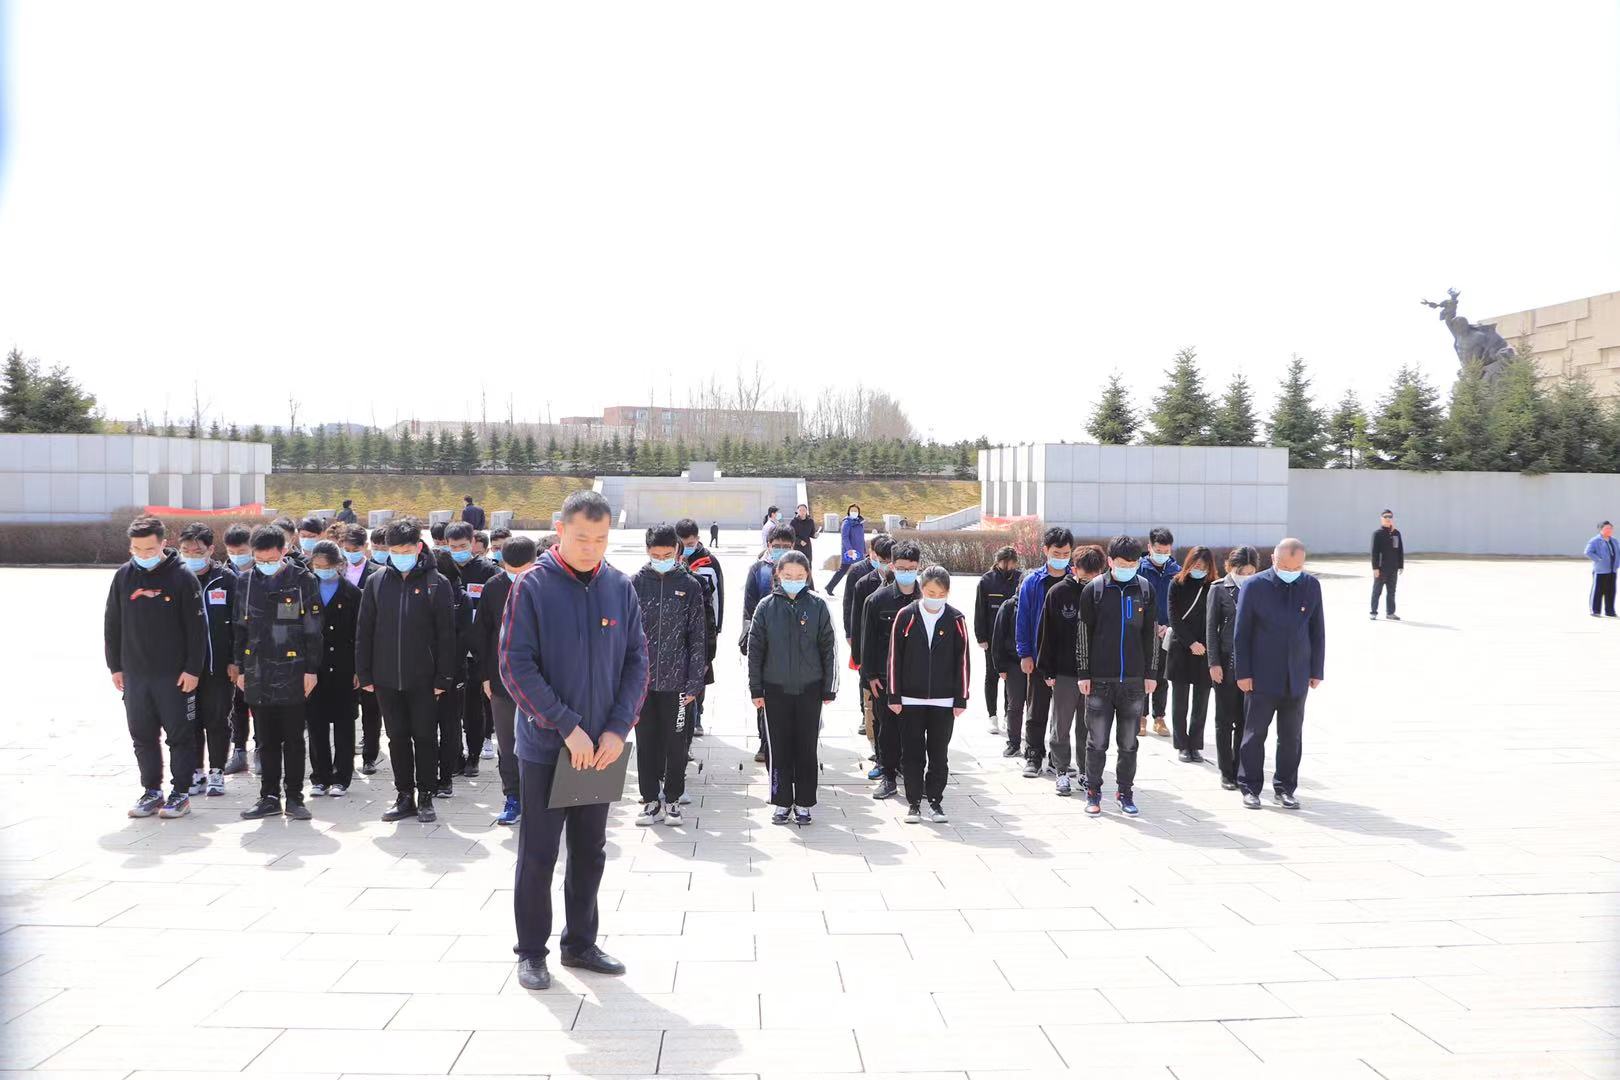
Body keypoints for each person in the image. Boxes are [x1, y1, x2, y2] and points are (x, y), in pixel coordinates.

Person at [500, 490, 647, 991]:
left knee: (590, 851)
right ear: (560, 531)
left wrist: (617, 727)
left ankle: (580, 943)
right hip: (548, 747)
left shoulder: (619, 587)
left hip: (601, 748)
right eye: (582, 537)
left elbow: (636, 661)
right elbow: (515, 664)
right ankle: (531, 952)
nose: (591, 548)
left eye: (601, 539)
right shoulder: (533, 586)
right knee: (539, 854)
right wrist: (565, 725)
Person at [357, 518, 458, 823]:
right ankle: (404, 795)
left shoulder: (437, 583)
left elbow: (446, 635)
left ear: (418, 547)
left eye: (406, 550)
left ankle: (426, 794)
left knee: (425, 737)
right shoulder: (376, 582)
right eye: (395, 551)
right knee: (397, 737)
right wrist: (365, 673)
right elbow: (364, 630)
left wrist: (443, 677)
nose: (401, 556)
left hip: (424, 679)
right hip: (386, 678)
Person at [104, 516, 205, 819]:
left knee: (179, 736)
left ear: (163, 544)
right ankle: (151, 791)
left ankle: (181, 793)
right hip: (136, 675)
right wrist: (115, 666)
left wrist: (193, 669)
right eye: (136, 549)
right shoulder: (124, 576)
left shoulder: (182, 577)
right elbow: (112, 624)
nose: (143, 555)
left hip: (174, 676)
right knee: (142, 736)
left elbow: (198, 630)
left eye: (149, 549)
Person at [233, 525, 322, 821]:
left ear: (283, 552)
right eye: (259, 559)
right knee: (265, 739)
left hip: (293, 671)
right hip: (257, 671)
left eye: (270, 559)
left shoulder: (303, 580)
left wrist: (311, 669)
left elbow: (313, 629)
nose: (265, 564)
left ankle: (294, 797)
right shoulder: (245, 581)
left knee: (293, 739)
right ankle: (268, 796)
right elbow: (239, 629)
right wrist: (240, 668)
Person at [1234, 538, 1326, 810]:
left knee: (1291, 737)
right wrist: (1243, 672)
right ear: (1274, 559)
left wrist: (1316, 670)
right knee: (1254, 734)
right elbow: (1242, 633)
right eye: (1285, 567)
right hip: (1261, 675)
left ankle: (1285, 788)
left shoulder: (1310, 586)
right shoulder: (1254, 586)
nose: (1291, 572)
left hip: (1297, 675)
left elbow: (1317, 630)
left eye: (1296, 568)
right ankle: (1250, 787)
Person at [748, 550, 838, 825]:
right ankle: (781, 801)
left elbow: (829, 647)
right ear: (778, 574)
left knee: (806, 748)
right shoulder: (766, 607)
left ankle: (805, 803)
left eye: (800, 576)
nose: (794, 580)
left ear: (807, 576)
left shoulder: (818, 605)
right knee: (779, 748)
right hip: (775, 689)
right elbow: (755, 650)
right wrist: (756, 689)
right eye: (788, 575)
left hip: (810, 689)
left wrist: (829, 687)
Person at [1075, 534, 1159, 817]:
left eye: (1133, 564)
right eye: (1122, 564)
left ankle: (1125, 792)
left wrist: (1151, 673)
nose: (1128, 568)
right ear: (1110, 561)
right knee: (1097, 742)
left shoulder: (1144, 589)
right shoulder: (1095, 590)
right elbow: (1083, 633)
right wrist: (1084, 672)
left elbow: (1151, 635)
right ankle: (1093, 791)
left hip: (1134, 682)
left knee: (1129, 743)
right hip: (1100, 681)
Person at [632, 524, 708, 828]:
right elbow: (624, 637)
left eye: (667, 555)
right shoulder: (635, 583)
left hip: (678, 683)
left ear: (676, 551)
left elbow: (697, 636)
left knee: (676, 744)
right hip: (642, 684)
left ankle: (673, 800)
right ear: (647, 552)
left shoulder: (690, 586)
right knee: (645, 743)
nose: (661, 560)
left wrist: (694, 682)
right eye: (656, 555)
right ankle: (650, 801)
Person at [886, 565, 968, 824]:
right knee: (912, 754)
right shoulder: (906, 615)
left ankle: (935, 801)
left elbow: (963, 660)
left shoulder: (956, 619)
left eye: (941, 594)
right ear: (922, 589)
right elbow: (894, 657)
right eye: (931, 593)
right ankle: (913, 803)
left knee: (938, 754)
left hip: (944, 701)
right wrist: (894, 695)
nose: (935, 598)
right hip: (910, 699)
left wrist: (961, 697)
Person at [476, 534, 536, 825]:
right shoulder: (494, 586)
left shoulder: (548, 587)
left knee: (541, 742)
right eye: (510, 570)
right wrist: (486, 675)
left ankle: (540, 798)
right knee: (507, 742)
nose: (515, 577)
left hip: (540, 683)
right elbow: (482, 633)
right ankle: (513, 796)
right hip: (502, 681)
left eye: (522, 570)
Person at [1036, 544, 1105, 795]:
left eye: (1096, 574)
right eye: (1086, 574)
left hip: (1094, 673)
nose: (1091, 579)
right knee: (1061, 725)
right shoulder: (1058, 592)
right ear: (1074, 569)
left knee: (1088, 727)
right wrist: (1047, 669)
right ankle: (1061, 771)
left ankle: (1085, 772)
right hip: (1065, 672)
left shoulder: (1104, 592)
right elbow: (1047, 633)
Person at [858, 539, 923, 800]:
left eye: (912, 568)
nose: (907, 572)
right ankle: (888, 776)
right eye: (902, 568)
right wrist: (870, 676)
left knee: (915, 731)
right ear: (892, 567)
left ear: (919, 567)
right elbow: (868, 642)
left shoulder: (926, 598)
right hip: (885, 679)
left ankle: (914, 776)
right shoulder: (877, 600)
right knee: (888, 730)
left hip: (919, 679)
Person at [742, 525, 810, 761]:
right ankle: (765, 741)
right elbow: (748, 606)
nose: (781, 549)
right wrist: (748, 636)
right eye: (776, 546)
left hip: (795, 643)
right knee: (763, 694)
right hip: (766, 642)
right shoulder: (758, 569)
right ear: (768, 545)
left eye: (786, 546)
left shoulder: (800, 569)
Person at [177, 522, 234, 798]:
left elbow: (239, 623)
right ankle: (195, 771)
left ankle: (217, 771)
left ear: (211, 550)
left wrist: (236, 660)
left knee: (217, 719)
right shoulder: (175, 578)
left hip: (218, 667)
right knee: (190, 721)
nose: (191, 555)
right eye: (186, 550)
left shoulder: (226, 579)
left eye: (198, 551)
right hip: (184, 668)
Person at [1014, 526, 1073, 776]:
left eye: (1066, 553)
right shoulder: (1033, 582)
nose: (1061, 557)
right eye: (1056, 553)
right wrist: (1025, 653)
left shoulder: (1076, 580)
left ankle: (1058, 758)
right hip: (1040, 657)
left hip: (1068, 659)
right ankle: (1033, 755)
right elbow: (1023, 619)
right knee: (1036, 709)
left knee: (1064, 713)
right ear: (1045, 550)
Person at [305, 541, 360, 798]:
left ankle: (341, 777)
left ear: (338, 565)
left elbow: (360, 634)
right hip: (313, 667)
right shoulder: (306, 590)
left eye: (325, 566)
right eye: (316, 566)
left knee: (344, 724)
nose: (321, 570)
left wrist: (359, 668)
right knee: (315, 723)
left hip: (344, 666)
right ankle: (319, 777)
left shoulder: (352, 593)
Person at [445, 521, 498, 779]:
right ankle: (455, 756)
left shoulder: (488, 572)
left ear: (473, 543)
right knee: (450, 710)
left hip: (478, 651)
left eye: (463, 546)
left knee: (473, 708)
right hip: (451, 650)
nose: (458, 551)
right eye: (453, 547)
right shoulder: (443, 569)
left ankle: (473, 756)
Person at [1207, 545, 1260, 791]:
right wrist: (1214, 663)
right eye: (1241, 572)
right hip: (1226, 662)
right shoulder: (1218, 589)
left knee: (1245, 720)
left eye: (1251, 572)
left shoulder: (1259, 588)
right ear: (1231, 567)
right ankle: (1226, 771)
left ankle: (1240, 768)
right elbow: (1211, 629)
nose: (1246, 576)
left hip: (1251, 664)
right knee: (1224, 720)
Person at [844, 533, 892, 765]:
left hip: (894, 657)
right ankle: (877, 746)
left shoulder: (909, 587)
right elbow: (852, 612)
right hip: (869, 649)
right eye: (882, 560)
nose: (887, 565)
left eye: (890, 561)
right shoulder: (862, 580)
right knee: (871, 700)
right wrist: (854, 644)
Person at [675, 518, 723, 741]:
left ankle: (697, 716)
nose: (687, 548)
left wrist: (717, 628)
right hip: (677, 630)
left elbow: (718, 596)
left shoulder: (709, 562)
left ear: (698, 539)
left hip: (704, 628)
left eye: (691, 543)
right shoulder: (671, 559)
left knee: (700, 673)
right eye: (683, 543)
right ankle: (682, 717)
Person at [1166, 545, 1215, 764]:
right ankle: (1181, 745)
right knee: (1180, 701)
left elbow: (1215, 619)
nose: (1199, 570)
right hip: (1181, 647)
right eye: (1196, 565)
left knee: (1201, 702)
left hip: (1205, 649)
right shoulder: (1176, 584)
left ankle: (1195, 745)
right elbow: (1174, 617)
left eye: (1203, 567)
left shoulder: (1213, 586)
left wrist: (1204, 644)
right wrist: (1191, 642)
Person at [220, 522, 256, 776]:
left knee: (260, 704)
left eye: (241, 551)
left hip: (259, 649)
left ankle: (262, 749)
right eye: (231, 552)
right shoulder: (223, 576)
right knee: (237, 704)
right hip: (232, 651)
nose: (236, 556)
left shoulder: (263, 573)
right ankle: (239, 750)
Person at [1137, 527, 1180, 737]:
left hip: (1167, 632)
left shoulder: (1176, 572)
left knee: (1162, 675)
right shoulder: (1139, 569)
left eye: (1166, 551)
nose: (1162, 555)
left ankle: (1159, 717)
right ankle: (1141, 716)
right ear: (1150, 547)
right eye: (1158, 550)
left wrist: (1168, 625)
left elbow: (1180, 604)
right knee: (1142, 673)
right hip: (1143, 630)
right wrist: (1149, 624)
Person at [973, 546, 1021, 734]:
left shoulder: (1019, 578)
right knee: (992, 676)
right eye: (1005, 563)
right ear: (998, 561)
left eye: (1011, 563)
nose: (1008, 567)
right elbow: (980, 611)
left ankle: (1009, 714)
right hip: (992, 638)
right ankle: (992, 716)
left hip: (1013, 638)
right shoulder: (986, 581)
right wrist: (981, 636)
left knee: (1012, 678)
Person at [989, 590, 1024, 759]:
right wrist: (1000, 666)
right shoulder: (1009, 606)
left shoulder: (1039, 602)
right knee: (1015, 705)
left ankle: (1035, 746)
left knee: (1037, 709)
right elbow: (998, 637)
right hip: (1013, 663)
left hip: (1037, 664)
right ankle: (1014, 743)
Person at [1370, 509, 1405, 620]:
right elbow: (1374, 552)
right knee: (1377, 591)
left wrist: (1401, 565)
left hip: (1393, 568)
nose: (1388, 519)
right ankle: (1373, 612)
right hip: (1381, 569)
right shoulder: (1377, 534)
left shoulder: (1396, 533)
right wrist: (1375, 568)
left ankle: (1390, 613)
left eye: (1390, 517)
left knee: (1391, 592)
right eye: (1385, 517)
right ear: (1381, 519)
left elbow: (1399, 550)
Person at [825, 503, 867, 595]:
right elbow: (845, 537)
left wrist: (864, 550)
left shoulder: (860, 522)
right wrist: (849, 549)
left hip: (859, 550)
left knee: (860, 569)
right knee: (843, 569)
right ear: (848, 512)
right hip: (850, 551)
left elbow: (862, 537)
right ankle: (830, 586)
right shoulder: (847, 522)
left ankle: (859, 590)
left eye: (856, 511)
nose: (854, 512)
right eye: (852, 510)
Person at [1584, 520, 1618, 618]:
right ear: (1601, 529)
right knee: (1598, 590)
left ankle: (1610, 611)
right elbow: (1588, 552)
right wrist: (1599, 560)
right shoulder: (1595, 540)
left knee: (1611, 591)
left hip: (1612, 570)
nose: (1609, 530)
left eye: (1611, 528)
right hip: (1600, 570)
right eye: (1607, 528)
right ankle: (1595, 610)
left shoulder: (1614, 540)